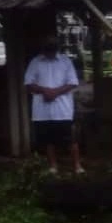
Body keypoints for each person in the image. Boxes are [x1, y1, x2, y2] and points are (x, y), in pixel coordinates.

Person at [24, 34, 84, 174]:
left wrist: (55, 92)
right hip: (42, 111)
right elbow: (28, 84)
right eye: (47, 44)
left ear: (57, 46)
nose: (50, 47)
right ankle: (53, 166)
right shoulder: (35, 62)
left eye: (52, 44)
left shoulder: (65, 61)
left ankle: (77, 166)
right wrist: (45, 90)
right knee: (48, 140)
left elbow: (73, 82)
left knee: (71, 140)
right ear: (43, 47)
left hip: (62, 110)